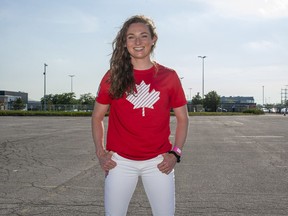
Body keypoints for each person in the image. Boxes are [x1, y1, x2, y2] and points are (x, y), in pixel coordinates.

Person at [91, 15, 189, 216]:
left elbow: (183, 119)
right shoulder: (113, 76)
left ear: (153, 39)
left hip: (159, 162)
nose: (137, 42)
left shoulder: (168, 76)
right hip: (120, 162)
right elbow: (97, 117)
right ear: (124, 42)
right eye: (131, 37)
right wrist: (100, 152)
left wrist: (175, 153)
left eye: (143, 36)